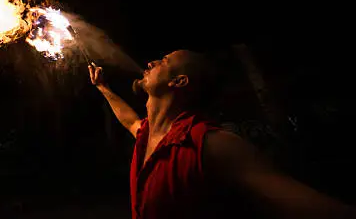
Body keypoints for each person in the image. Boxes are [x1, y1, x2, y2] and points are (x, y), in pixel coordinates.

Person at [89, 49, 354, 219]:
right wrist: (103, 88)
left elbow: (305, 204)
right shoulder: (147, 133)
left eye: (164, 61)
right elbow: (129, 120)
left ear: (179, 82)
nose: (152, 61)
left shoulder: (210, 143)